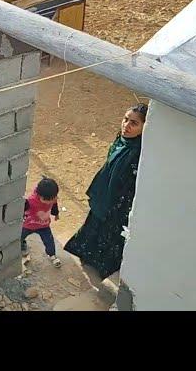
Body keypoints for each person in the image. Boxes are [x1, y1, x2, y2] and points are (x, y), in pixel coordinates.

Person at [64, 103, 148, 292]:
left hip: (118, 205)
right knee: (93, 226)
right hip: (104, 196)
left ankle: (101, 267)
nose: (126, 125)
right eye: (126, 119)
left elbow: (131, 186)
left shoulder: (139, 154)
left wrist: (117, 207)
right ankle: (87, 258)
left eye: (134, 123)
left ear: (144, 127)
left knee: (108, 236)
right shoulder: (121, 140)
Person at [21, 177, 62, 268]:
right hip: (28, 225)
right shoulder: (30, 201)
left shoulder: (52, 198)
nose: (50, 202)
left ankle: (52, 255)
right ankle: (21, 244)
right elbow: (21, 210)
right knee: (19, 237)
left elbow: (54, 205)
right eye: (48, 200)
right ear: (39, 196)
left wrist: (56, 214)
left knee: (49, 241)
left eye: (53, 198)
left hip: (44, 225)